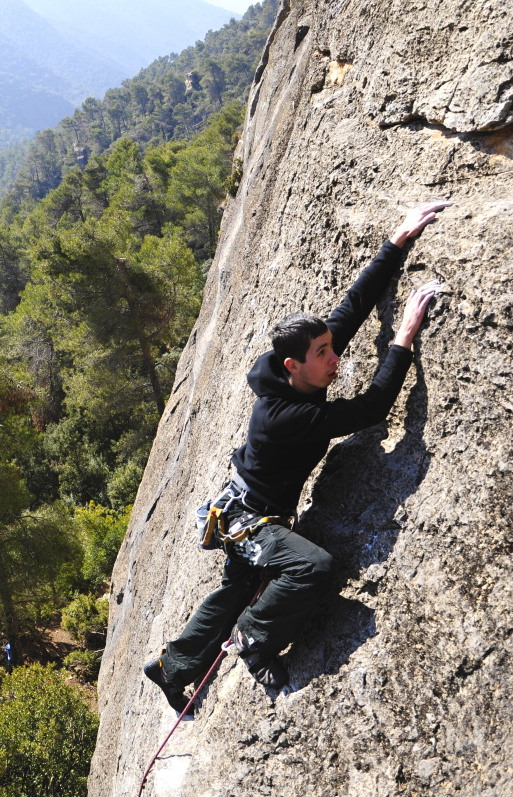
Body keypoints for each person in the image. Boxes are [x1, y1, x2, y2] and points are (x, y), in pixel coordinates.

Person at [144, 201, 452, 718]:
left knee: (238, 588)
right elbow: (373, 407)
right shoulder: (284, 415)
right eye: (325, 355)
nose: (337, 359)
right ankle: (255, 643)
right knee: (313, 568)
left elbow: (352, 308)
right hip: (248, 519)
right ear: (295, 366)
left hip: (245, 510)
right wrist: (403, 338)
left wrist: (397, 240)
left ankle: (174, 666)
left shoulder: (301, 368)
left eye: (332, 349)